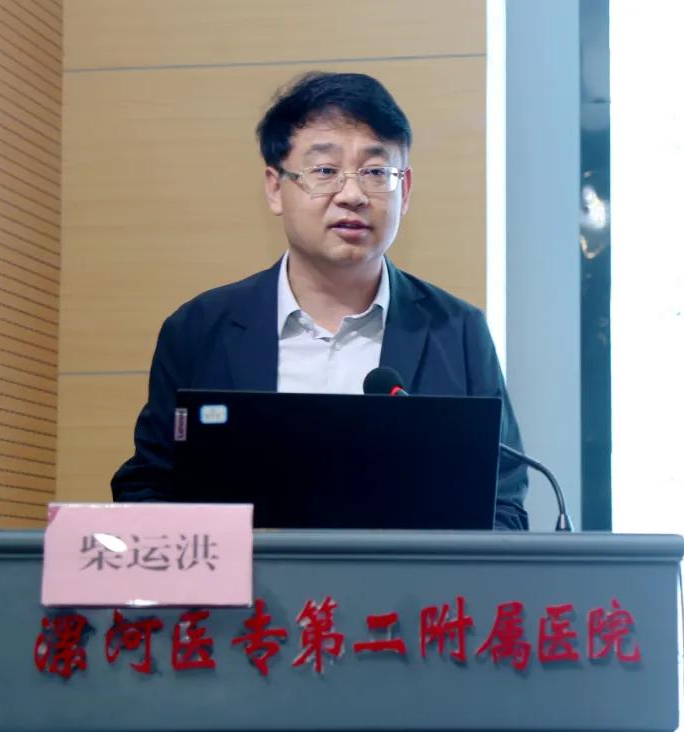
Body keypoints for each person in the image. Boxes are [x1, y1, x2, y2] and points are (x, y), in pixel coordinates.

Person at [111, 72, 529, 530]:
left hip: (409, 582)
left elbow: (503, 507)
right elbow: (149, 487)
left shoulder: (459, 333)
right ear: (275, 187)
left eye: (375, 172)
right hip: (250, 581)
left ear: (404, 190)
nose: (352, 195)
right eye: (325, 171)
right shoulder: (199, 331)